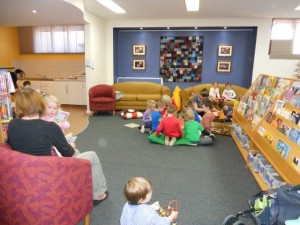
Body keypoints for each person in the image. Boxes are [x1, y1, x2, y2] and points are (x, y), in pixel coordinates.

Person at [7, 88, 108, 206]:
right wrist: (71, 145)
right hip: (50, 173)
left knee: (79, 153)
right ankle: (98, 194)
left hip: (25, 174)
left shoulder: (12, 124)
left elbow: (12, 145)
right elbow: (69, 153)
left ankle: (81, 185)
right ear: (40, 104)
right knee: (91, 155)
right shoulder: (49, 127)